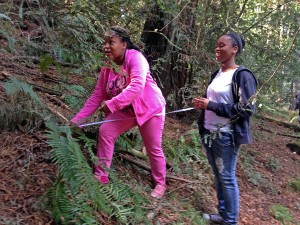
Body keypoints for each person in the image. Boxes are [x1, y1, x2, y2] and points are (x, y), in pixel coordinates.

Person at [70, 26, 167, 199]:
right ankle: (101, 175)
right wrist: (78, 119)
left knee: (153, 147)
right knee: (106, 131)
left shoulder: (136, 59)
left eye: (111, 42)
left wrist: (112, 105)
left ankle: (160, 183)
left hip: (150, 108)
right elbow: (97, 96)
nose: (106, 46)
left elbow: (137, 86)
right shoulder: (107, 67)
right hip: (127, 110)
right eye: (105, 42)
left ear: (123, 44)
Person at [193, 32, 257, 224]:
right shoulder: (218, 73)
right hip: (209, 131)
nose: (217, 49)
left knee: (227, 177)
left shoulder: (243, 76)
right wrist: (204, 105)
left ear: (234, 49)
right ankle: (222, 214)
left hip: (226, 135)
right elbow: (215, 101)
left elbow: (246, 109)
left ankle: (230, 221)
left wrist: (210, 105)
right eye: (216, 45)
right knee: (218, 175)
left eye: (222, 45)